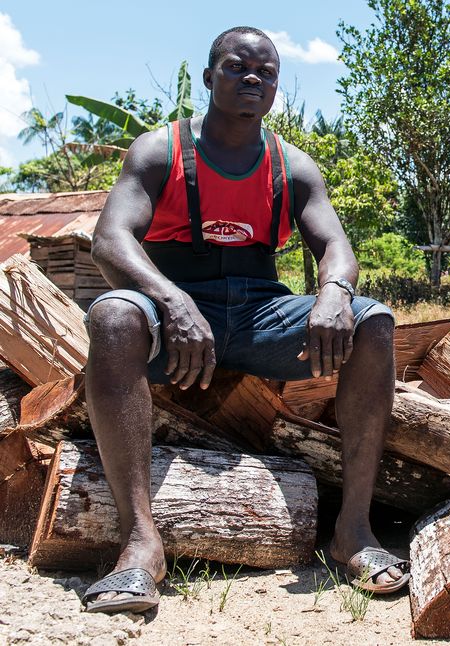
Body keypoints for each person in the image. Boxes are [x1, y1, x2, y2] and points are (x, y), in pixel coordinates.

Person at [81, 26, 408, 614]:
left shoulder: (294, 166)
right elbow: (110, 240)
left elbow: (336, 246)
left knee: (374, 321)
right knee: (111, 318)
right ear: (209, 78)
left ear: (276, 90)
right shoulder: (160, 152)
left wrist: (334, 290)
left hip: (261, 315)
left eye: (266, 73)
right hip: (173, 313)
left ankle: (352, 534)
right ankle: (139, 546)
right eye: (236, 68)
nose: (251, 79)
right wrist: (172, 299)